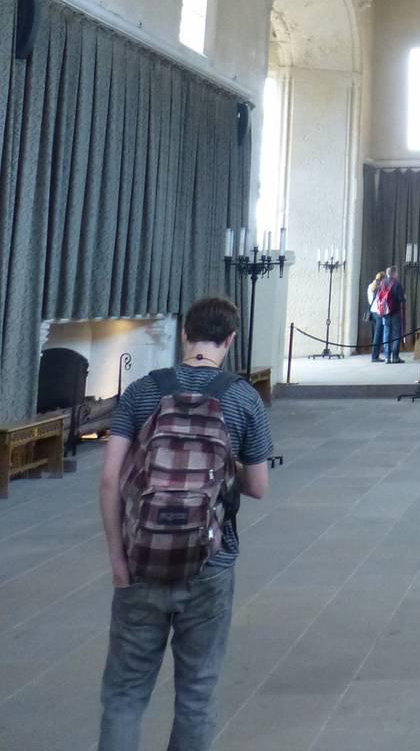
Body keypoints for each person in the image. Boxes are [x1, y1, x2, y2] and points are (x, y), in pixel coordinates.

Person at [97, 297, 272, 751]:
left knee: (125, 693)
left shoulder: (142, 391)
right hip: (211, 562)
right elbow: (258, 486)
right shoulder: (243, 398)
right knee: (197, 692)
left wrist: (118, 561)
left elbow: (110, 479)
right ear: (230, 340)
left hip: (141, 559)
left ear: (184, 334)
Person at [376, 265, 405, 364]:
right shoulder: (397, 284)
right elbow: (401, 298)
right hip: (395, 312)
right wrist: (404, 297)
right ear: (394, 273)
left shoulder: (382, 283)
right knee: (396, 335)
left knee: (386, 335)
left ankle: (387, 357)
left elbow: (378, 296)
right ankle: (395, 357)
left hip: (385, 313)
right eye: (396, 272)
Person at [367, 270, 385, 361]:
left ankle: (375, 355)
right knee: (378, 335)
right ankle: (374, 356)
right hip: (378, 313)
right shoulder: (380, 287)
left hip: (372, 312)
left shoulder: (370, 286)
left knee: (376, 335)